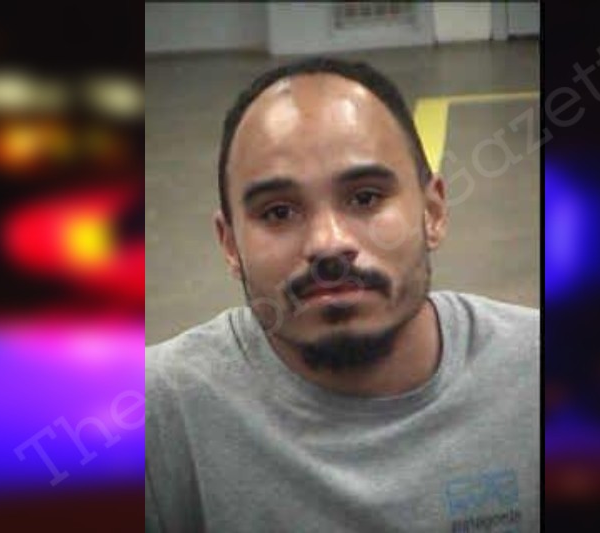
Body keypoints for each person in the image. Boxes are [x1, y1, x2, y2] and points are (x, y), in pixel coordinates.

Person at [146, 56, 539, 532]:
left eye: (365, 198)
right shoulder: (155, 417)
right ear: (230, 245)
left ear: (433, 212)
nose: (328, 243)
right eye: (278, 212)